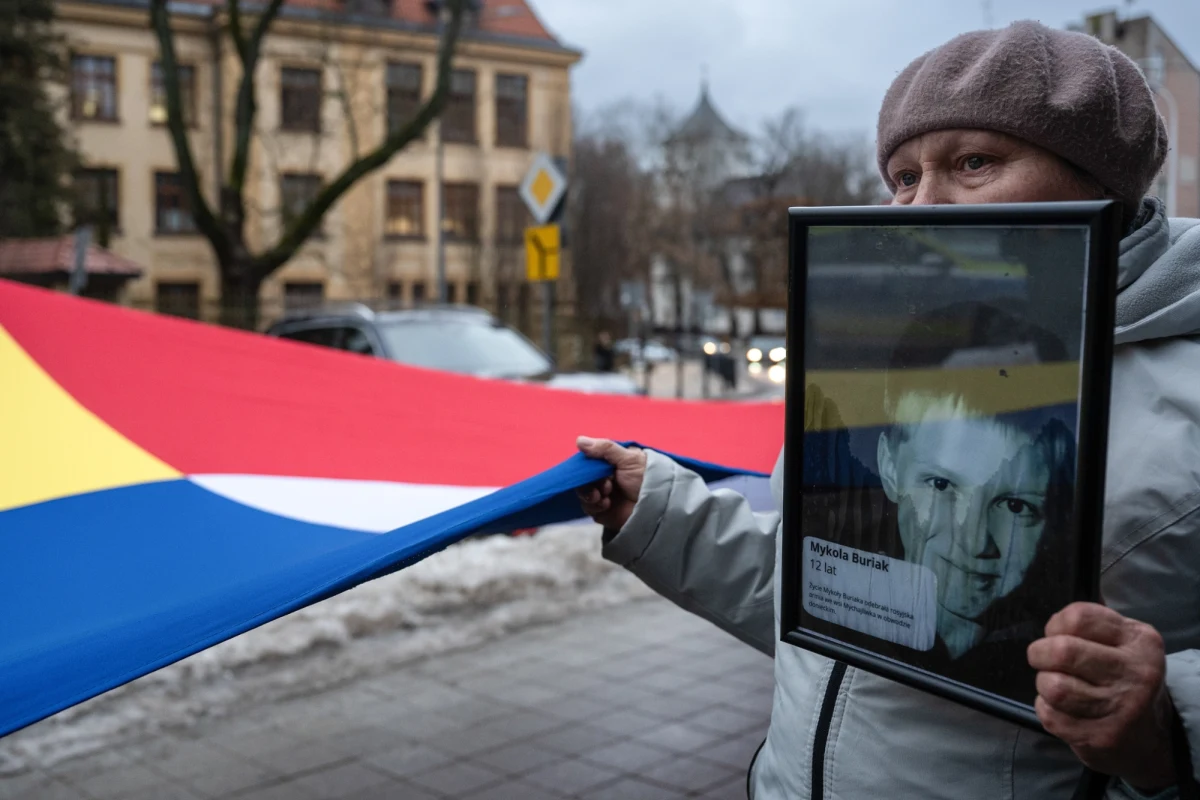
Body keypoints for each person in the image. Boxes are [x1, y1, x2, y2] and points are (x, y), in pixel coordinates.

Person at [576, 20, 1200, 799]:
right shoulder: (892, 358)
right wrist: (661, 514)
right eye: (903, 177)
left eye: (974, 162)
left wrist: (1168, 726)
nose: (922, 206)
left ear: (1100, 179)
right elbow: (837, 593)